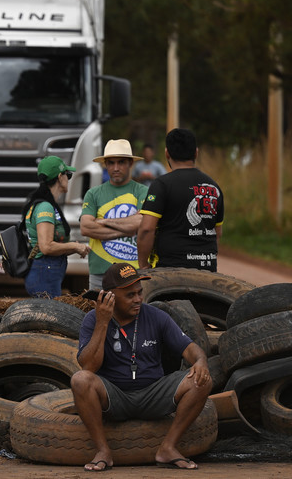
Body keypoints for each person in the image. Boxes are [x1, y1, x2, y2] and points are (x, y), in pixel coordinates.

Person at [71, 262, 212, 471]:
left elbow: (192, 349)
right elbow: (89, 366)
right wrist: (103, 322)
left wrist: (201, 362)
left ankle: (168, 448)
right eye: (130, 295)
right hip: (115, 396)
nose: (138, 299)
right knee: (80, 380)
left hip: (153, 393)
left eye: (139, 293)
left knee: (201, 381)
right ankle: (103, 451)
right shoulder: (93, 319)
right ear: (109, 296)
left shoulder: (156, 316)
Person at [136, 128, 224, 272]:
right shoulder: (214, 187)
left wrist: (143, 264)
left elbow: (147, 229)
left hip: (171, 270)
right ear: (196, 152)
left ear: (167, 153)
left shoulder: (162, 184)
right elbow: (217, 233)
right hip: (207, 270)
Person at [80, 140, 148, 291]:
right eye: (111, 163)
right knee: (98, 313)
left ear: (130, 163)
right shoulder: (93, 193)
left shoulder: (142, 191)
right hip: (100, 272)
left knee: (135, 314)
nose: (115, 168)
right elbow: (85, 227)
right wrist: (128, 228)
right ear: (105, 164)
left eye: (121, 162)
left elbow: (142, 222)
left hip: (134, 270)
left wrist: (103, 221)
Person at [21, 155, 90, 297]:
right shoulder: (45, 207)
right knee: (48, 317)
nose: (68, 179)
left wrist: (74, 249)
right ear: (60, 177)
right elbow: (46, 247)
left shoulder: (46, 204)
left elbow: (48, 247)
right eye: (68, 175)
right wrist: (74, 246)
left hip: (45, 273)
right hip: (44, 274)